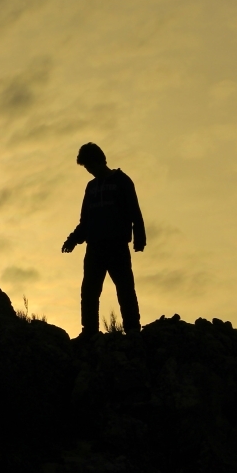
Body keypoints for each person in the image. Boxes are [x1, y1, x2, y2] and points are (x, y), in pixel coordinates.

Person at [61, 142, 146, 337]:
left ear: (99, 161)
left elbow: (134, 211)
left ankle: (133, 328)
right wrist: (73, 240)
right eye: (86, 167)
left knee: (125, 288)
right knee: (89, 291)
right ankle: (90, 331)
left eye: (89, 166)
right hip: (95, 247)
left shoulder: (122, 181)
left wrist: (139, 238)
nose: (89, 171)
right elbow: (85, 221)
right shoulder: (91, 187)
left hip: (117, 245)